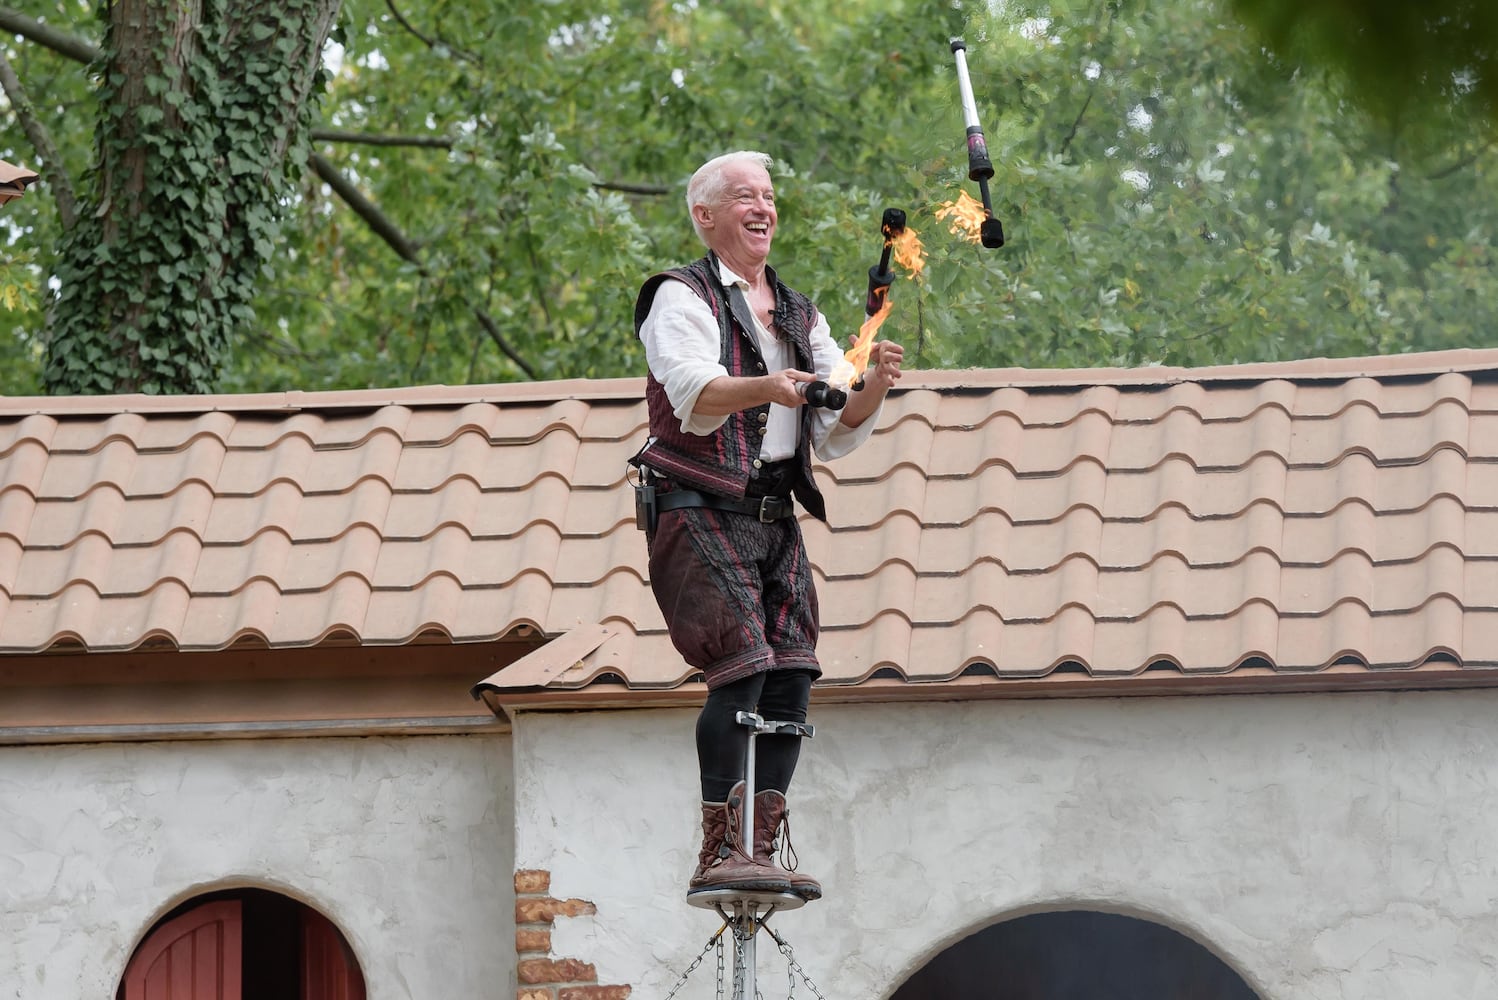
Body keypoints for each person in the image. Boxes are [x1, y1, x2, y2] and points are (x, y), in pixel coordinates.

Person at [631, 151, 904, 901]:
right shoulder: (678, 299)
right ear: (706, 216)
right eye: (745, 197)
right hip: (696, 506)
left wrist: (873, 383)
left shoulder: (796, 311)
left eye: (770, 197)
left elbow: (836, 419)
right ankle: (718, 852)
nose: (764, 208)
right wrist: (769, 387)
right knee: (742, 665)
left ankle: (761, 846)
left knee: (791, 672)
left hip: (774, 514)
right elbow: (693, 393)